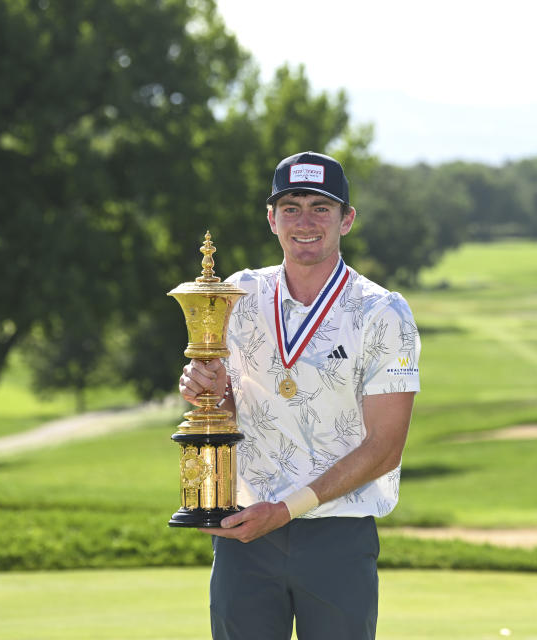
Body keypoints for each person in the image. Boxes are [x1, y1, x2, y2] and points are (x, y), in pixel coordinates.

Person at [178, 151, 420, 640]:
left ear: (346, 219)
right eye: (291, 207)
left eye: (320, 207)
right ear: (271, 219)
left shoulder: (383, 312)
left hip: (337, 534)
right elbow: (228, 408)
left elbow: (385, 448)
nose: (304, 222)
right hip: (244, 531)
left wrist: (284, 511)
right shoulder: (237, 295)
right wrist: (204, 392)